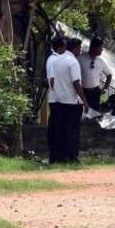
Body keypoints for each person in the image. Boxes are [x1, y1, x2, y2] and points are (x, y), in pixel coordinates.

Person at [51, 38, 89, 163]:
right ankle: (72, 157)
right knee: (72, 132)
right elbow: (76, 83)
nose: (80, 51)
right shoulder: (73, 62)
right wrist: (85, 101)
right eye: (80, 48)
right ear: (76, 49)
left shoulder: (57, 61)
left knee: (60, 131)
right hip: (72, 102)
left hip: (59, 101)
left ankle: (61, 157)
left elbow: (52, 81)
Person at [45, 35, 66, 164]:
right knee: (56, 128)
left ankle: (57, 155)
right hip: (56, 99)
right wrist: (59, 93)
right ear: (60, 48)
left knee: (57, 128)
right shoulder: (54, 60)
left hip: (57, 98)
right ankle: (55, 156)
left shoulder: (56, 59)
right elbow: (52, 80)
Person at [78, 37, 112, 111]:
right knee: (83, 113)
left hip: (96, 92)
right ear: (94, 48)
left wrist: (105, 88)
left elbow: (109, 75)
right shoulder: (80, 58)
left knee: (94, 113)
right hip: (83, 92)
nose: (102, 50)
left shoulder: (100, 61)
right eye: (100, 48)